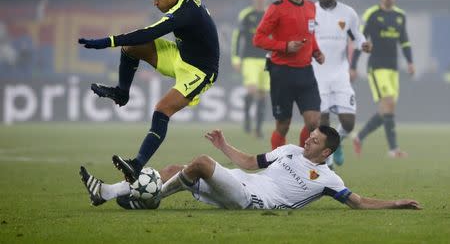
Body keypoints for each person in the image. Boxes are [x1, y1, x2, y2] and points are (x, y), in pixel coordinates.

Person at [77, 0, 220, 182]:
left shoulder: (183, 14)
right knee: (131, 49)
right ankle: (122, 93)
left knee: (162, 110)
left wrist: (108, 42)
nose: (154, 3)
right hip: (179, 56)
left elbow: (148, 32)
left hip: (199, 71)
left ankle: (137, 164)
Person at [80, 126, 421, 211]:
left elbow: (357, 202)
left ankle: (151, 197)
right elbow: (248, 163)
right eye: (310, 135)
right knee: (174, 167)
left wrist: (397, 203)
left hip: (253, 200)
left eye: (314, 141)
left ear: (327, 151)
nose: (307, 141)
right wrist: (223, 146)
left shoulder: (328, 178)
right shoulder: (289, 149)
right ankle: (107, 193)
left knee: (198, 164)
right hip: (242, 181)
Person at [253, 0, 325, 150]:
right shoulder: (276, 8)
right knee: (283, 126)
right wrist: (284, 46)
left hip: (305, 72)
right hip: (281, 73)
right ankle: (278, 163)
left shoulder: (311, 7)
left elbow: (310, 35)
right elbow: (258, 38)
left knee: (313, 121)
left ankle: (301, 158)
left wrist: (316, 51)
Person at [310, 0, 372, 168]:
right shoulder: (310, 12)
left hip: (340, 75)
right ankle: (327, 162)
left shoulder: (348, 13)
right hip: (317, 75)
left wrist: (364, 45)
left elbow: (357, 36)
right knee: (323, 121)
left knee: (348, 123)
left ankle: (339, 143)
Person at [350, 0, 414, 158]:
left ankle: (359, 137)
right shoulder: (372, 14)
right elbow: (361, 40)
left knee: (387, 109)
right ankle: (393, 149)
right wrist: (353, 66)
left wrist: (410, 62)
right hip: (377, 67)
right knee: (389, 104)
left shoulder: (400, 16)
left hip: (393, 68)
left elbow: (405, 41)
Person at [231, 0, 270, 138]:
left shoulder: (271, 14)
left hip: (267, 59)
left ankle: (258, 129)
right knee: (252, 90)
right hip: (249, 59)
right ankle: (247, 117)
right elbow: (237, 37)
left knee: (262, 94)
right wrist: (236, 58)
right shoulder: (246, 14)